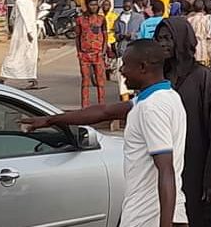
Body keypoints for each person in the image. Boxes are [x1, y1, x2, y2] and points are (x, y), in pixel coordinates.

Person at [22, 40, 188, 226]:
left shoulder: (152, 108)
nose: (122, 71)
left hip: (149, 217)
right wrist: (51, 120)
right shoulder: (165, 97)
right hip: (168, 213)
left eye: (125, 64)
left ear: (143, 67)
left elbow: (166, 170)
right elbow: (104, 112)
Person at [155, 18, 211, 227]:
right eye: (159, 39)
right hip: (166, 171)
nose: (163, 44)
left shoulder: (204, 78)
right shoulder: (158, 78)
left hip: (198, 171)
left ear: (182, 39)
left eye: (168, 38)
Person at [0, 0, 39, 88]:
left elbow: (25, 17)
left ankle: (3, 77)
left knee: (14, 53)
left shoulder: (20, 2)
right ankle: (32, 78)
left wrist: (28, 32)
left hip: (22, 32)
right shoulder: (29, 2)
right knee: (29, 54)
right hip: (30, 31)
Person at [75, 0, 108, 108]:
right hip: (84, 54)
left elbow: (105, 35)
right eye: (91, 5)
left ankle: (101, 105)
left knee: (100, 81)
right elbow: (77, 37)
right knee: (85, 81)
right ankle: (85, 106)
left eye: (95, 4)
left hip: (98, 54)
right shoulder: (80, 20)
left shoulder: (101, 19)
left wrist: (103, 51)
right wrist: (79, 52)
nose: (93, 7)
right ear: (87, 6)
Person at [187, 0, 211, 65]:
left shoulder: (189, 20)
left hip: (192, 46)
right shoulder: (206, 20)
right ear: (203, 8)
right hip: (203, 46)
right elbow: (209, 34)